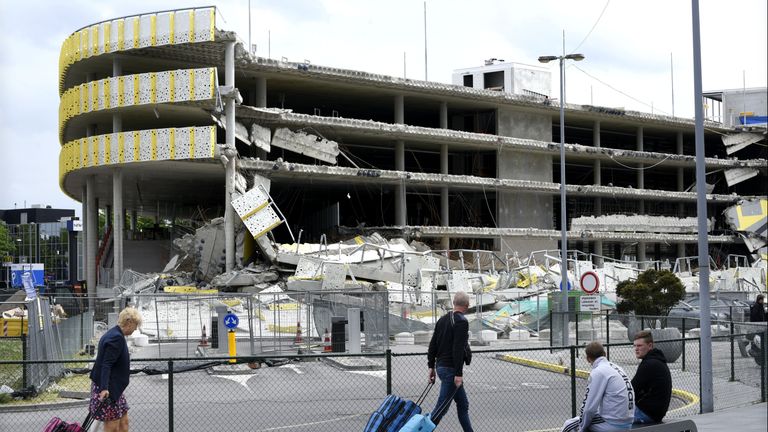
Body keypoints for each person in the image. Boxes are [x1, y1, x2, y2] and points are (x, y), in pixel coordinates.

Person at [561, 341, 634, 432]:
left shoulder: (598, 372)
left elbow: (589, 408)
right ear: (604, 354)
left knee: (569, 425)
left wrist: (581, 428)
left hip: (613, 423)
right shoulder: (617, 368)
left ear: (588, 359)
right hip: (627, 421)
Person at [89, 307, 142, 432]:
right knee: (112, 426)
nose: (136, 329)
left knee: (124, 422)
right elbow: (106, 365)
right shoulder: (116, 337)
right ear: (129, 322)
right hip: (108, 389)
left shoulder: (114, 333)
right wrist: (104, 388)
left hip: (114, 389)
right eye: (135, 325)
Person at [427, 291, 473, 431]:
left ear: (453, 303)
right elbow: (458, 349)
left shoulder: (442, 320)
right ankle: (422, 429)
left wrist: (431, 367)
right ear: (467, 305)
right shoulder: (462, 322)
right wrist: (458, 374)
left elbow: (433, 344)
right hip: (451, 370)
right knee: (441, 408)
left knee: (463, 404)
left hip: (441, 366)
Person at [631, 331, 672, 425]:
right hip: (656, 413)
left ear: (650, 346)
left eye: (639, 346)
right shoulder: (657, 360)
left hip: (647, 413)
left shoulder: (649, 364)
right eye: (635, 346)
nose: (636, 349)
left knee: (607, 419)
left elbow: (632, 389)